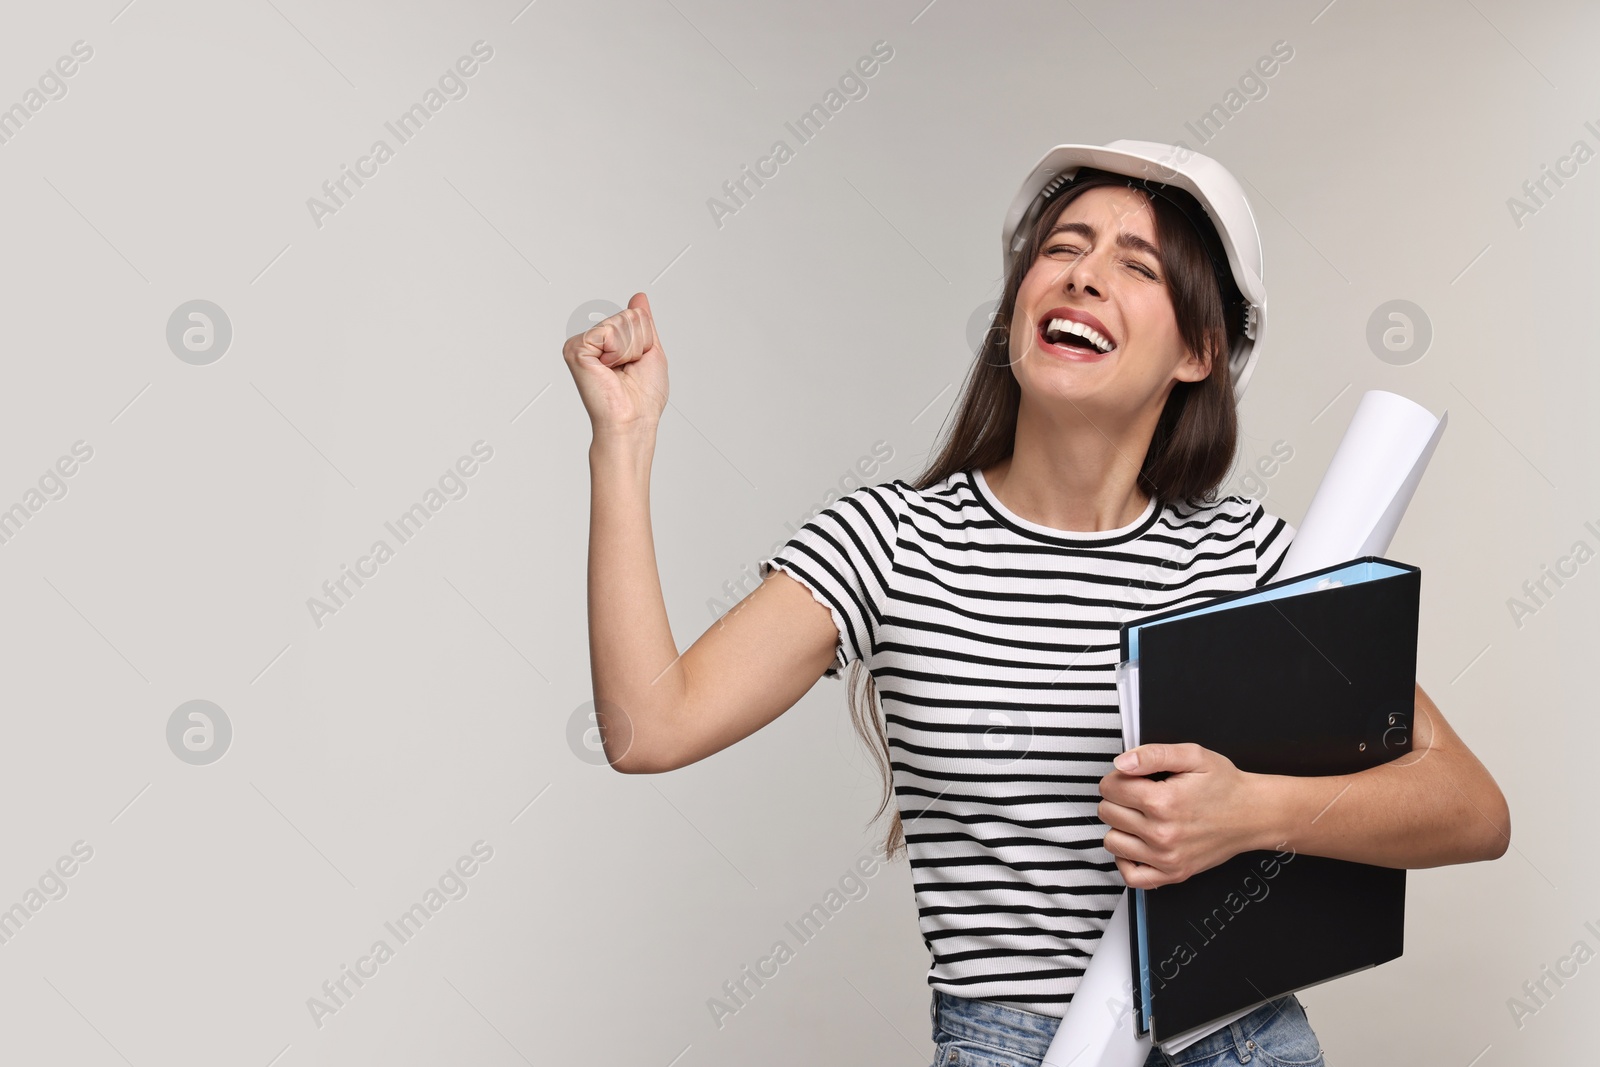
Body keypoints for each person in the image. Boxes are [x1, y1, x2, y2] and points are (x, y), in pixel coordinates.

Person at [563, 139, 1511, 1067]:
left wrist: (1251, 811)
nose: (1084, 275)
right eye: (1063, 246)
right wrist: (625, 440)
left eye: (1135, 264)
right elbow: (651, 726)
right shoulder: (892, 543)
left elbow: (1470, 808)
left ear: (1198, 350)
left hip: (1241, 1041)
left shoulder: (1248, 559)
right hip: (1013, 1045)